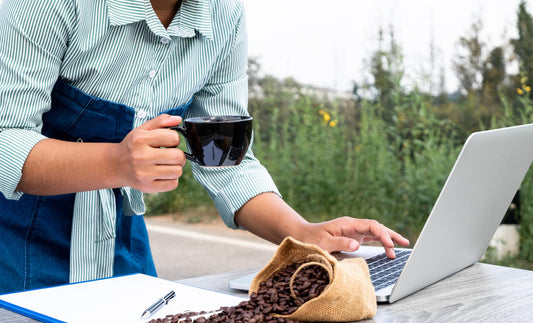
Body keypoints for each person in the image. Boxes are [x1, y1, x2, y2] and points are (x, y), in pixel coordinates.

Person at [0, 0, 409, 294]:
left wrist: (301, 234)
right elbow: (6, 138)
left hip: (116, 242)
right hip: (13, 241)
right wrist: (114, 162)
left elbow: (225, 159)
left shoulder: (224, 16)